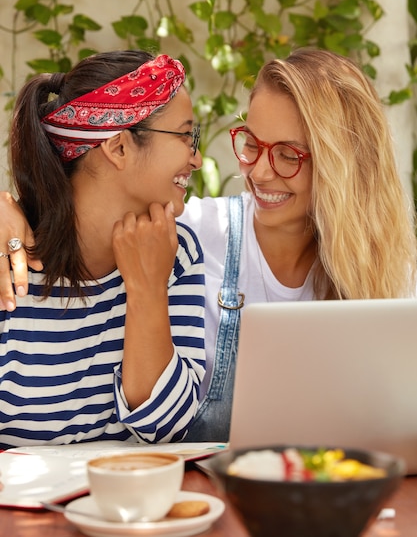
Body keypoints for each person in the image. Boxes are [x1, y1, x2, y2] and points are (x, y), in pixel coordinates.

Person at [1, 48, 416, 442]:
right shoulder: (193, 231)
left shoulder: (394, 272)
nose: (259, 172)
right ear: (120, 146)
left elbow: (163, 420)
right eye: (251, 144)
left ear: (342, 165)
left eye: (288, 155)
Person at [0, 50, 205, 448]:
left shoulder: (177, 254)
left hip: (128, 507)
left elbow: (168, 429)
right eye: (185, 135)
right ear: (118, 147)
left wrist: (147, 290)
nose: (196, 158)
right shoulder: (9, 263)